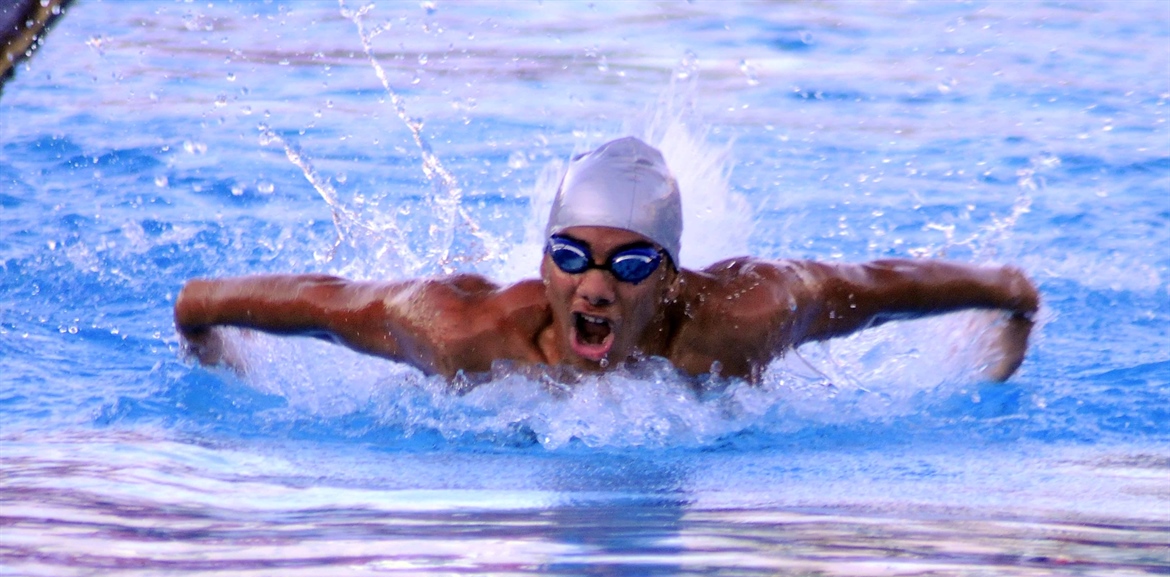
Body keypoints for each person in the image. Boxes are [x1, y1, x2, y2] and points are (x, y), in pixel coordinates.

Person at [175, 137, 1039, 383]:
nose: (593, 285)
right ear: (544, 263)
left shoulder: (740, 320)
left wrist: (1005, 295)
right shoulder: (466, 333)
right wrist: (203, 317)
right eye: (571, 258)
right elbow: (324, 301)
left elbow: (878, 289)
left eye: (628, 267)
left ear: (667, 275)